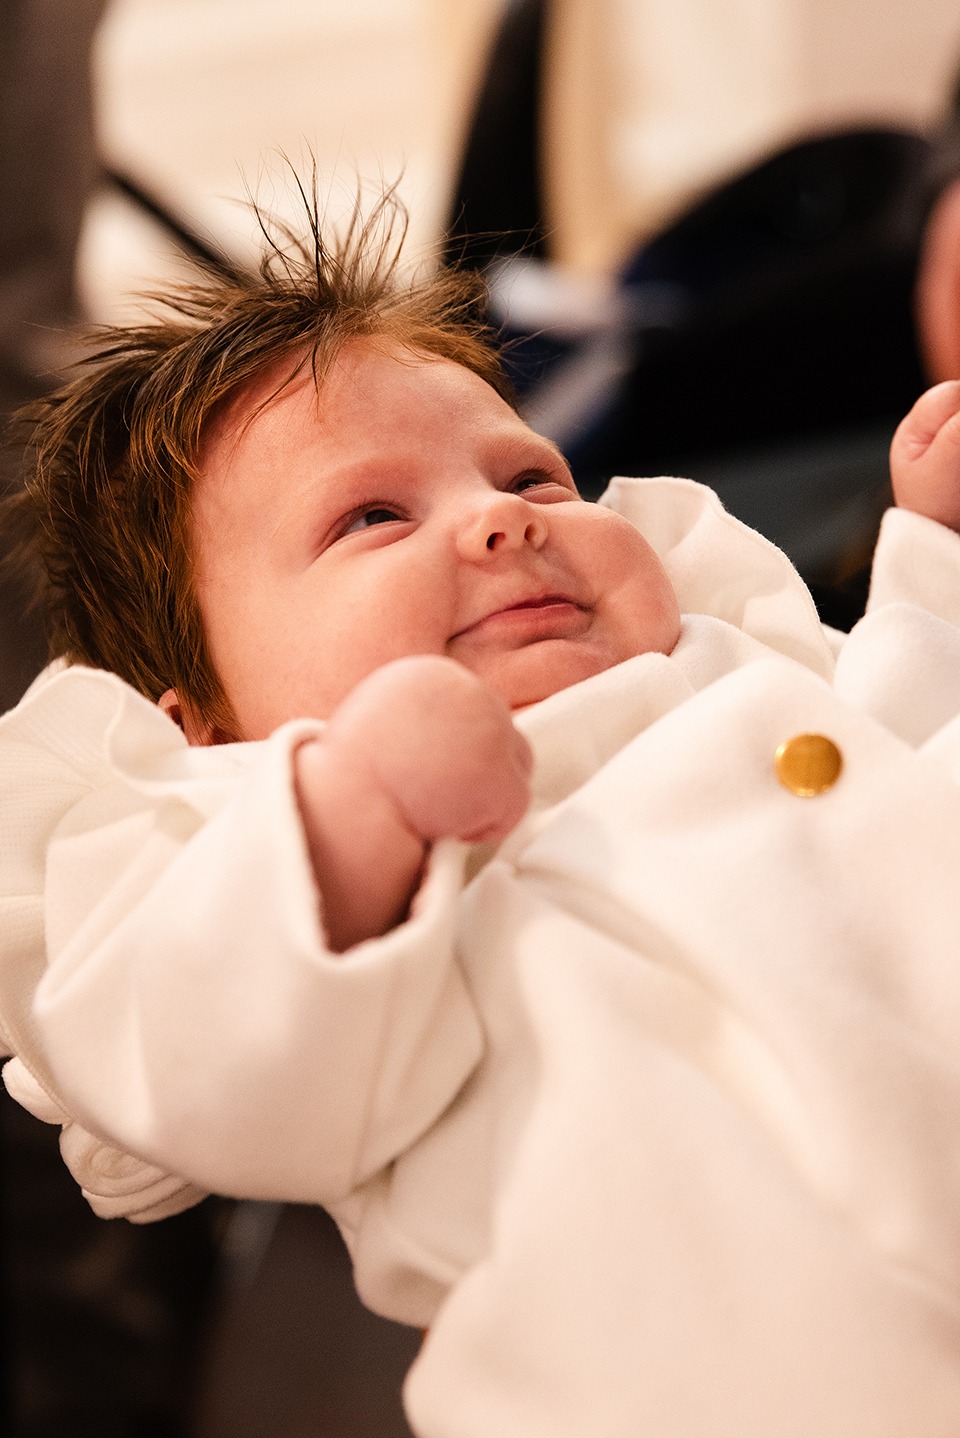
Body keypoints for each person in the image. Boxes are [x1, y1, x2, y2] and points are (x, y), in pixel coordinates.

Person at [5, 187, 960, 1436]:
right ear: (209, 727)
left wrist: (933, 566)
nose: (501, 516)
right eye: (373, 516)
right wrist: (352, 810)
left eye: (533, 476)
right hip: (721, 1373)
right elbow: (208, 1062)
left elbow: (900, 746)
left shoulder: (730, 675)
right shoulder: (271, 874)